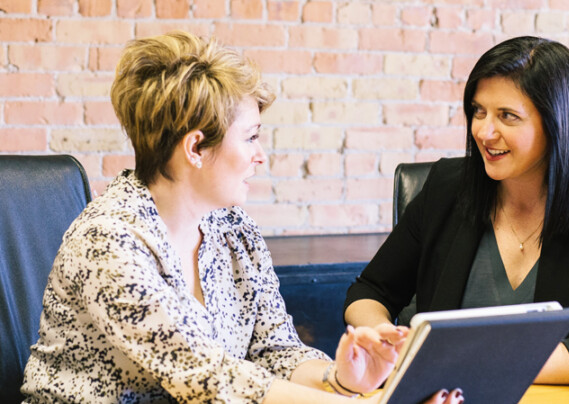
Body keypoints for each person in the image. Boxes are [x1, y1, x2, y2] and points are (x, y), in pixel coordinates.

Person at [21, 31, 463, 404]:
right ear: (195, 148)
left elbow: (276, 351)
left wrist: (344, 380)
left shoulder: (234, 230)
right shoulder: (108, 241)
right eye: (250, 137)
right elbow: (207, 378)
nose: (261, 156)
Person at [344, 36, 569, 390]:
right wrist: (380, 337)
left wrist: (474, 362)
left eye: (507, 116)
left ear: (556, 122)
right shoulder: (447, 187)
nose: (484, 131)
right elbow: (370, 290)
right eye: (479, 111)